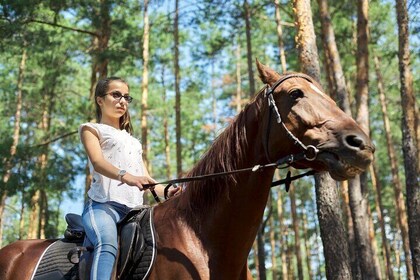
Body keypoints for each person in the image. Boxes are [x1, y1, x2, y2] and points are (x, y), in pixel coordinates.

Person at [79, 77, 180, 280]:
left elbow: (146, 179)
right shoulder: (91, 129)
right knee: (106, 243)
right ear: (100, 100)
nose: (122, 101)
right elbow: (98, 163)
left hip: (136, 211)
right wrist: (127, 177)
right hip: (103, 206)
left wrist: (167, 191)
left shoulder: (132, 141)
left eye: (126, 97)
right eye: (116, 95)